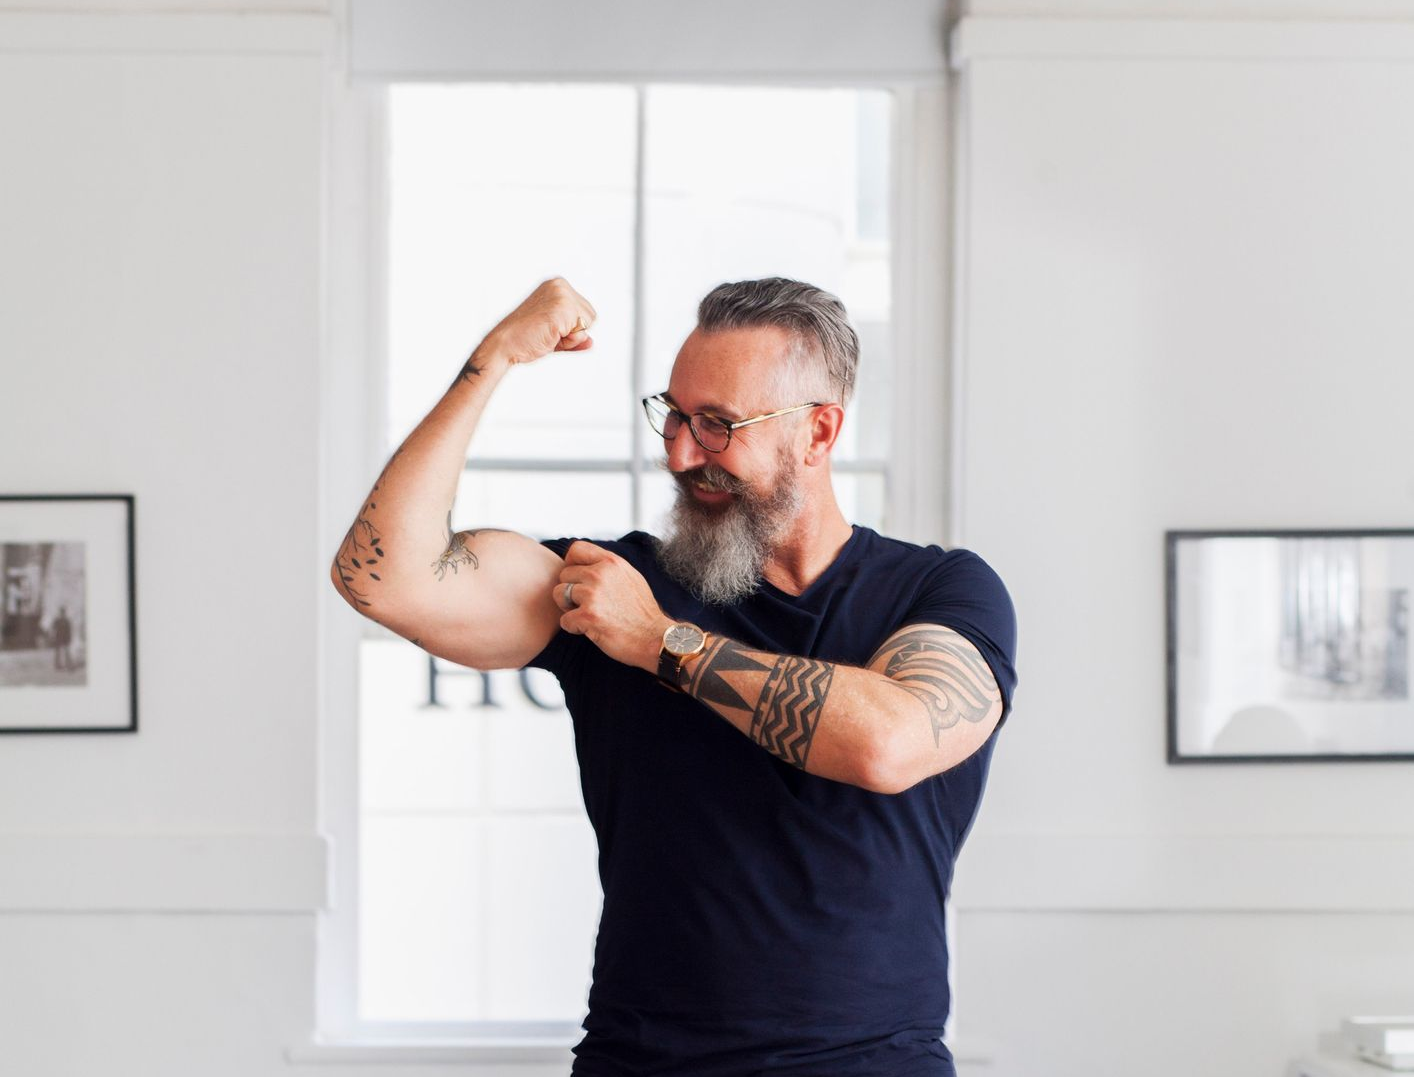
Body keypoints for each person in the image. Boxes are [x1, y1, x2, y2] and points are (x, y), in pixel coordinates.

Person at [331, 276, 1018, 1077]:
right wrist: (493, 361)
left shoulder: (941, 591)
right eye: (675, 414)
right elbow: (381, 577)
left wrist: (661, 641)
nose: (682, 452)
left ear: (818, 432)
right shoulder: (608, 583)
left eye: (720, 425)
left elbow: (886, 744)